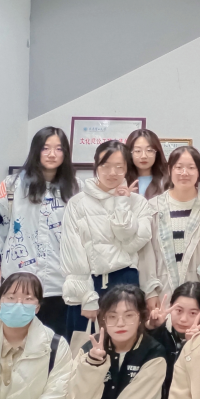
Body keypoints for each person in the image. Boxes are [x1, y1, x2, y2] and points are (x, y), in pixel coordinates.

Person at [0, 126, 80, 336]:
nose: (52, 154)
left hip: (60, 286)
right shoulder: (11, 187)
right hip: (17, 288)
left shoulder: (76, 189)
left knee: (55, 346)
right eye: (46, 148)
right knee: (16, 343)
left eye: (59, 148)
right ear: (36, 150)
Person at [62, 140, 161, 338]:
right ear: (96, 166)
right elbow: (73, 252)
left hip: (128, 282)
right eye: (105, 166)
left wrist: (151, 290)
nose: (112, 172)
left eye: (119, 167)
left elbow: (144, 251)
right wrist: (86, 295)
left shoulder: (139, 203)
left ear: (127, 168)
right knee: (85, 348)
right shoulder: (77, 203)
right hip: (90, 284)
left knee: (127, 344)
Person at [66, 284, 169, 399]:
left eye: (129, 315)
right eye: (112, 317)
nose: (120, 323)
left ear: (141, 317)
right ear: (104, 320)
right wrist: (93, 364)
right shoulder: (90, 348)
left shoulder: (153, 353)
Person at [151, 146, 200, 299]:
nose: (184, 173)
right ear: (169, 170)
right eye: (179, 167)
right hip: (162, 291)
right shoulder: (154, 207)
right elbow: (146, 254)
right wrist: (150, 292)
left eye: (191, 167)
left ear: (199, 171)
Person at [126, 129, 170, 199]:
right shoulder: (122, 180)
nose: (144, 156)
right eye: (138, 151)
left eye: (149, 150)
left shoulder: (167, 180)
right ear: (129, 153)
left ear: (157, 153)